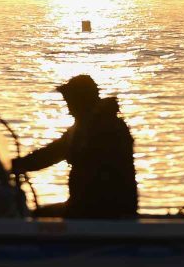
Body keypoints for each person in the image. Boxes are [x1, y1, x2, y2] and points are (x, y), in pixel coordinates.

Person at [11, 74, 138, 219]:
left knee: (39, 216)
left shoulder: (101, 129)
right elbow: (52, 153)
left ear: (80, 100)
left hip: (102, 211)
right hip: (95, 207)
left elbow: (54, 154)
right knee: (41, 214)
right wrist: (18, 164)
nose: (68, 109)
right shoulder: (88, 126)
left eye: (69, 101)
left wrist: (17, 165)